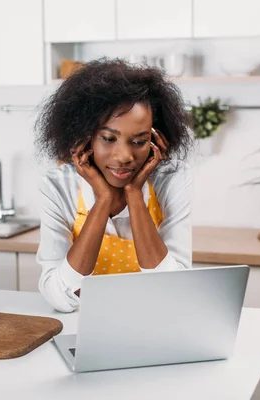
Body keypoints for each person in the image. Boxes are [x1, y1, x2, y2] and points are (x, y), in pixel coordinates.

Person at [34, 58, 193, 313]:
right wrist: (103, 201)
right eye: (109, 138)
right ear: (85, 139)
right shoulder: (58, 187)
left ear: (155, 140)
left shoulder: (171, 179)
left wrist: (134, 195)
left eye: (139, 141)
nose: (124, 157)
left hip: (154, 324)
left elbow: (175, 290)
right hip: (82, 328)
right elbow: (59, 298)